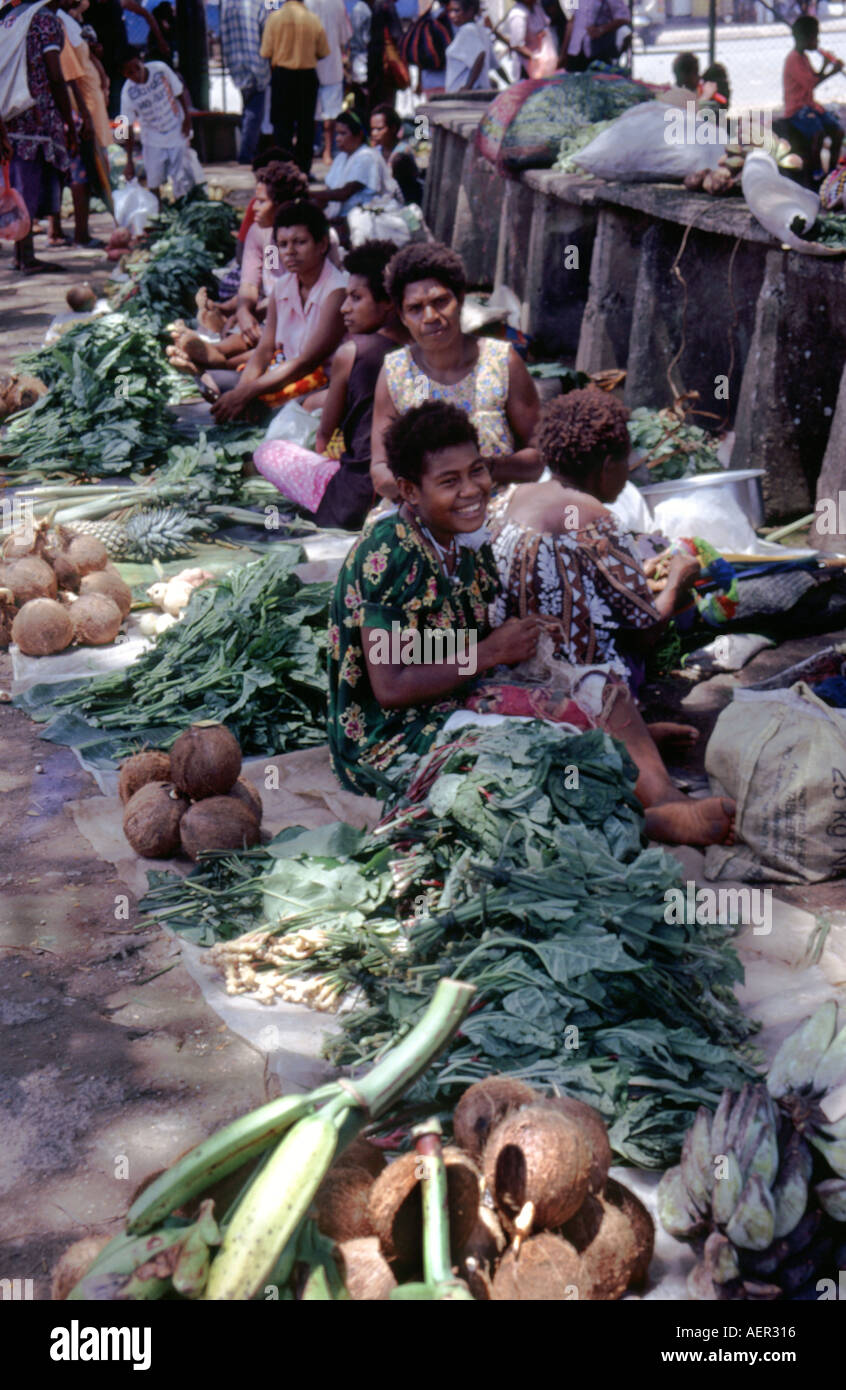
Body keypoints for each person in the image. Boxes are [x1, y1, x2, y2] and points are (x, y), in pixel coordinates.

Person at [484, 389, 737, 848]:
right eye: (626, 464)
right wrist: (678, 580)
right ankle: (663, 801)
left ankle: (632, 746)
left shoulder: (510, 497)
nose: (627, 474)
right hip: (564, 679)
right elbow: (645, 630)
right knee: (618, 676)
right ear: (606, 466)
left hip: (504, 672)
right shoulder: (591, 515)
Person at [328, 401, 543, 796]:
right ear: (409, 490)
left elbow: (447, 640)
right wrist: (489, 653)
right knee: (538, 755)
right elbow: (390, 687)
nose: (471, 490)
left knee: (589, 706)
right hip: (389, 739)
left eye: (476, 471)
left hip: (451, 700)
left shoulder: (467, 539)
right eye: (449, 482)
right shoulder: (390, 552)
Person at [370, 242, 542, 499]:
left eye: (440, 301)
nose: (430, 317)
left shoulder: (501, 362)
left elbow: (538, 455)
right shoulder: (396, 371)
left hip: (494, 506)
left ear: (460, 300)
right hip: (422, 510)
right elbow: (380, 468)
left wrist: (484, 470)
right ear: (402, 317)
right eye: (415, 309)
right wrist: (425, 492)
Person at [254, 238, 406, 529]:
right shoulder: (422, 353)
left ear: (387, 302)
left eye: (357, 298)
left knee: (267, 452)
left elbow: (324, 436)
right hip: (398, 491)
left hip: (352, 501)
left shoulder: (352, 353)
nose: (344, 308)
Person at [209, 199, 348, 420]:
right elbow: (264, 347)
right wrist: (242, 393)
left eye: (300, 242)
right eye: (283, 244)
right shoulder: (262, 240)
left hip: (315, 380)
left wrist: (246, 393)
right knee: (215, 383)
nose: (290, 252)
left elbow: (306, 362)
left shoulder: (335, 292)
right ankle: (217, 359)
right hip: (281, 359)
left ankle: (217, 356)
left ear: (322, 245)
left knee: (255, 405)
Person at [167, 161, 309, 375]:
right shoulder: (266, 238)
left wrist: (253, 312)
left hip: (301, 320)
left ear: (281, 205)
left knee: (270, 342)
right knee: (249, 330)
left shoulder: (304, 240)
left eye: (261, 202)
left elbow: (294, 293)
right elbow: (258, 283)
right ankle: (211, 352)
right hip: (272, 314)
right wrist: (243, 310)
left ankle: (215, 359)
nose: (254, 207)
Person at [5, 0, 77, 275]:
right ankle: (27, 257)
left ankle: (21, 254)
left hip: (10, 114)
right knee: (28, 187)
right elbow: (55, 75)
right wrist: (68, 119)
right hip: (37, 115)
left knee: (17, 183)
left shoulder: (11, 17)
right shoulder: (46, 20)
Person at [260, 0, 329, 175]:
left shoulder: (274, 19)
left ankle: (284, 168)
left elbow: (266, 51)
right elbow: (323, 51)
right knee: (306, 126)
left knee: (282, 126)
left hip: (283, 76)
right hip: (306, 76)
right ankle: (304, 169)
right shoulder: (313, 19)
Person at [118, 48, 196, 198]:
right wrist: (129, 161)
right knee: (153, 180)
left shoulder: (160, 69)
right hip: (152, 138)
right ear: (124, 75)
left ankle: (182, 206)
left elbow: (179, 92)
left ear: (142, 62)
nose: (136, 75)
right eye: (130, 73)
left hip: (176, 129)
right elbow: (126, 126)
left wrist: (187, 119)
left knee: (181, 178)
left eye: (137, 68)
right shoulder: (127, 92)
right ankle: (157, 211)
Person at [309, 109, 393, 228]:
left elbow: (344, 193)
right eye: (337, 133)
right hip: (342, 218)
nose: (337, 138)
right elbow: (328, 190)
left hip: (366, 220)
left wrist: (308, 193)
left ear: (359, 135)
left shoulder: (367, 157)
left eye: (343, 133)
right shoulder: (341, 157)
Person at [783, 15, 844, 174]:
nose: (818, 41)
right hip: (797, 110)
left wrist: (825, 66)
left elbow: (813, 79)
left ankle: (832, 171)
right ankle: (815, 172)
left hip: (809, 107)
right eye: (815, 37)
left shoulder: (803, 57)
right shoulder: (794, 59)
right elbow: (811, 83)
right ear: (805, 38)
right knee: (818, 134)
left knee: (838, 131)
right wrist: (832, 72)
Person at [220, 0, 271, 164]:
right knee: (254, 112)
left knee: (249, 108)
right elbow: (270, 23)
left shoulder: (227, 3)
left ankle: (250, 149)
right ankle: (246, 154)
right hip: (257, 61)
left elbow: (224, 33)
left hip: (236, 61)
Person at [306, 0, 352, 164]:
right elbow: (345, 37)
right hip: (332, 65)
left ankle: (313, 150)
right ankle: (327, 152)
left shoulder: (305, 4)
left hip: (309, 65)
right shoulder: (337, 3)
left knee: (310, 114)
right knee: (331, 114)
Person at [370, 103, 423, 205]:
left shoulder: (402, 153)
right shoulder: (377, 151)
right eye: (372, 129)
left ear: (393, 128)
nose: (374, 133)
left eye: (379, 129)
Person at [562, 0, 628, 72]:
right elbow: (572, 20)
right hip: (575, 51)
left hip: (599, 51)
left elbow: (624, 17)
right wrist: (563, 53)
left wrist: (601, 29)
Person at [444, 0, 493, 91]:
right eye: (449, 11)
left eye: (456, 11)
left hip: (465, 95)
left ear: (470, 11)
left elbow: (480, 55)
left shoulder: (467, 30)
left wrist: (468, 86)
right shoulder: (480, 30)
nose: (452, 15)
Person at [497, 0, 550, 82]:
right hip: (526, 69)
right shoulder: (517, 15)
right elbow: (517, 46)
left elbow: (545, 25)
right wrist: (535, 58)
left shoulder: (537, 7)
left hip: (543, 62)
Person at [367, 0, 405, 111]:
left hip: (374, 59)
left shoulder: (376, 6)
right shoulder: (388, 5)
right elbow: (396, 34)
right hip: (387, 61)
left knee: (375, 98)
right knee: (387, 99)